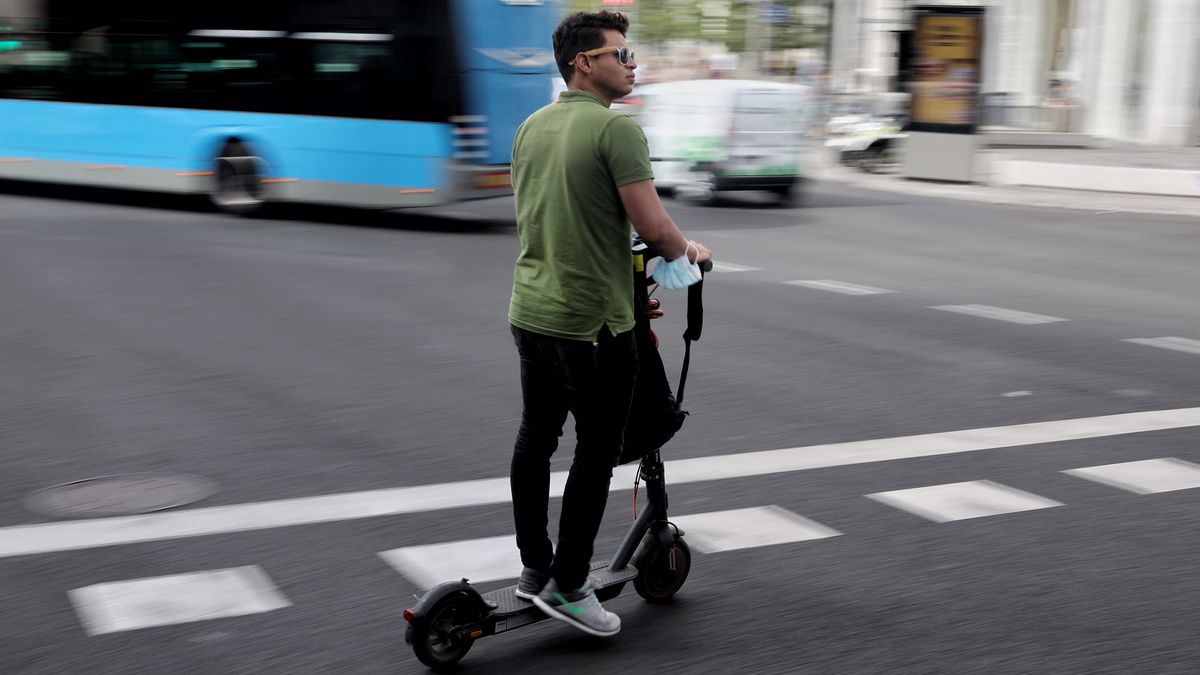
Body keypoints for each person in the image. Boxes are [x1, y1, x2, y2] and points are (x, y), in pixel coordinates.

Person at [507, 10, 712, 638]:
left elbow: (570, 223)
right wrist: (689, 253)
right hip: (593, 325)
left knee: (536, 438)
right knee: (596, 448)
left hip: (531, 310)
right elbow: (651, 226)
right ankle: (571, 586)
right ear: (583, 63)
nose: (631, 64)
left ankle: (535, 569)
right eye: (620, 54)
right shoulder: (616, 130)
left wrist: (633, 270)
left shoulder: (531, 127)